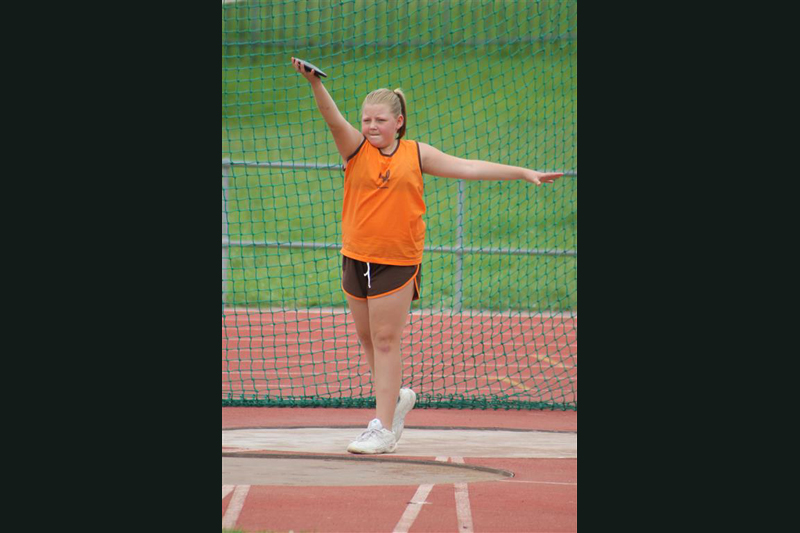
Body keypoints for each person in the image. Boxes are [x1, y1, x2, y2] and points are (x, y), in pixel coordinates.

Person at [290, 57, 562, 454]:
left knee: (386, 340)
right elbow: (332, 120)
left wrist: (523, 172)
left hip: (397, 261)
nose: (371, 126)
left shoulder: (416, 154)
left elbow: (469, 167)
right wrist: (315, 83)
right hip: (356, 257)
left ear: (398, 121)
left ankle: (383, 428)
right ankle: (396, 399)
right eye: (366, 120)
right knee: (368, 340)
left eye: (380, 120)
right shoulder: (355, 149)